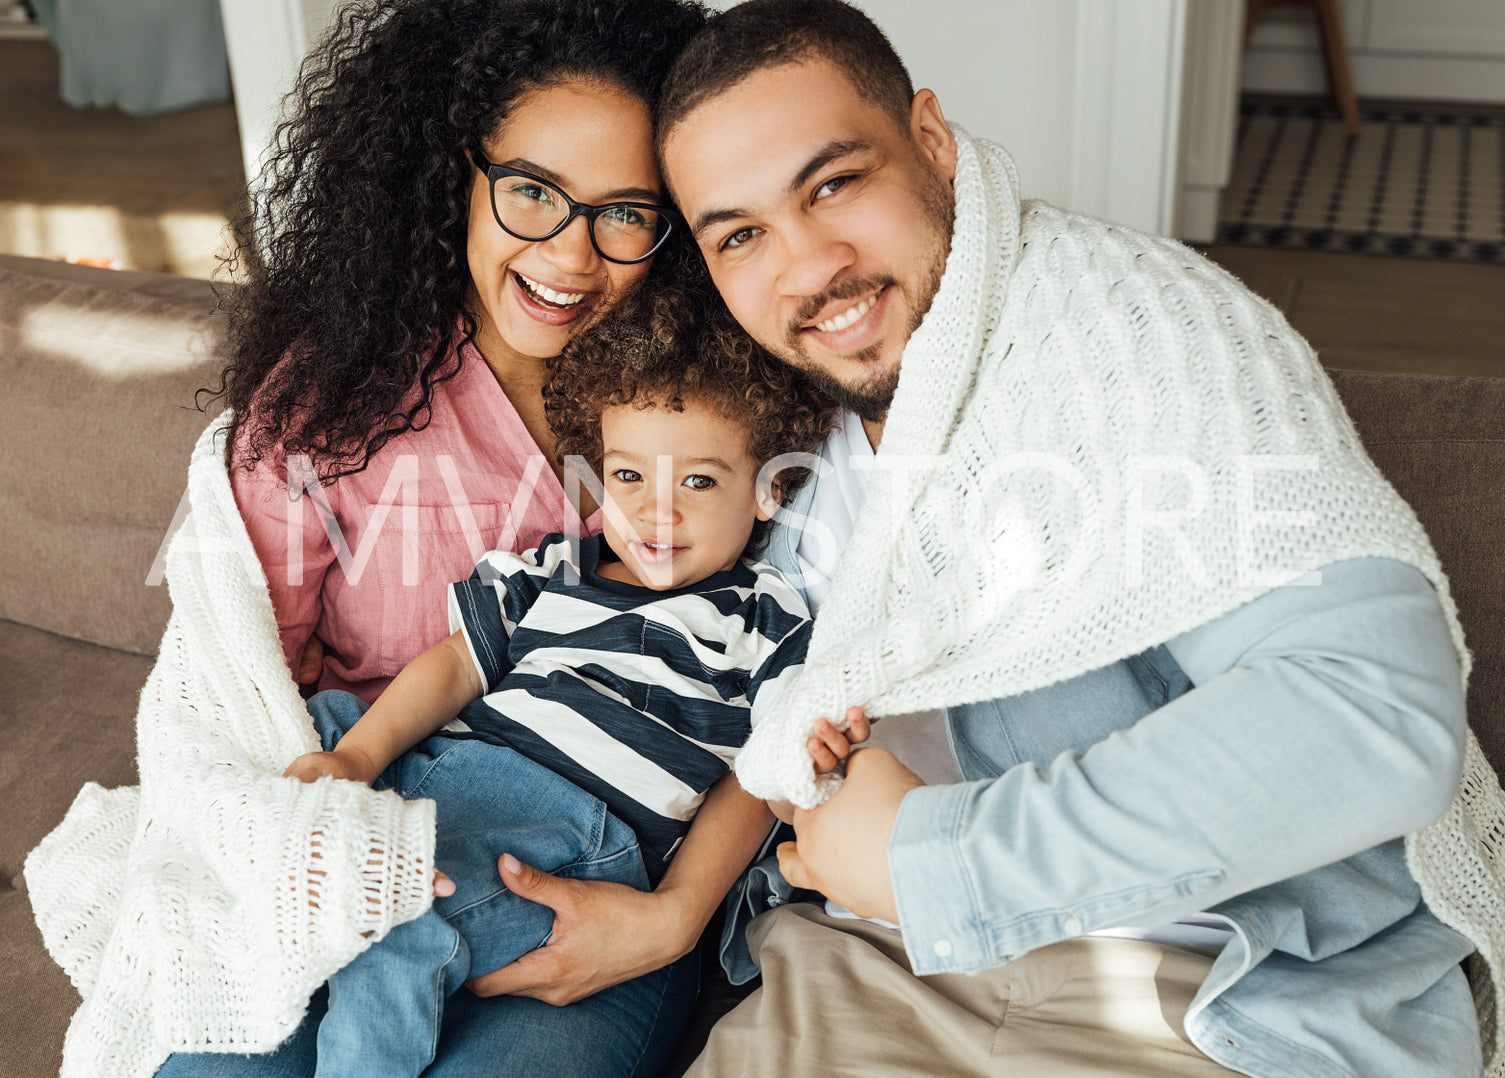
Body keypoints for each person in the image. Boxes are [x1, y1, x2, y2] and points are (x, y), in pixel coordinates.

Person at [653, 2, 1504, 1076]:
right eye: (740, 234)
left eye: (833, 184)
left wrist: (934, 857)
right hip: (867, 960)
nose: (808, 264)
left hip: (1218, 986)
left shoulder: (1139, 339)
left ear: (929, 139)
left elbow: (1371, 715)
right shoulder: (758, 419)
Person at [19, 2, 837, 1076]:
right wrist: (339, 788)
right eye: (534, 192)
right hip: (381, 827)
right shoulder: (338, 400)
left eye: (625, 213)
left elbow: (777, 721)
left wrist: (675, 916)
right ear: (460, 173)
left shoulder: (717, 399)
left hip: (606, 881)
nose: (569, 255)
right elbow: (244, 697)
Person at [277, 278, 846, 1078]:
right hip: (443, 783)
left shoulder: (765, 618)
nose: (657, 512)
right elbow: (452, 666)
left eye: (698, 481)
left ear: (766, 490)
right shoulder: (554, 565)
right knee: (327, 730)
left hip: (573, 838)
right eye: (629, 478)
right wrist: (356, 760)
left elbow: (768, 770)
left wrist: (812, 760)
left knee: (392, 922)